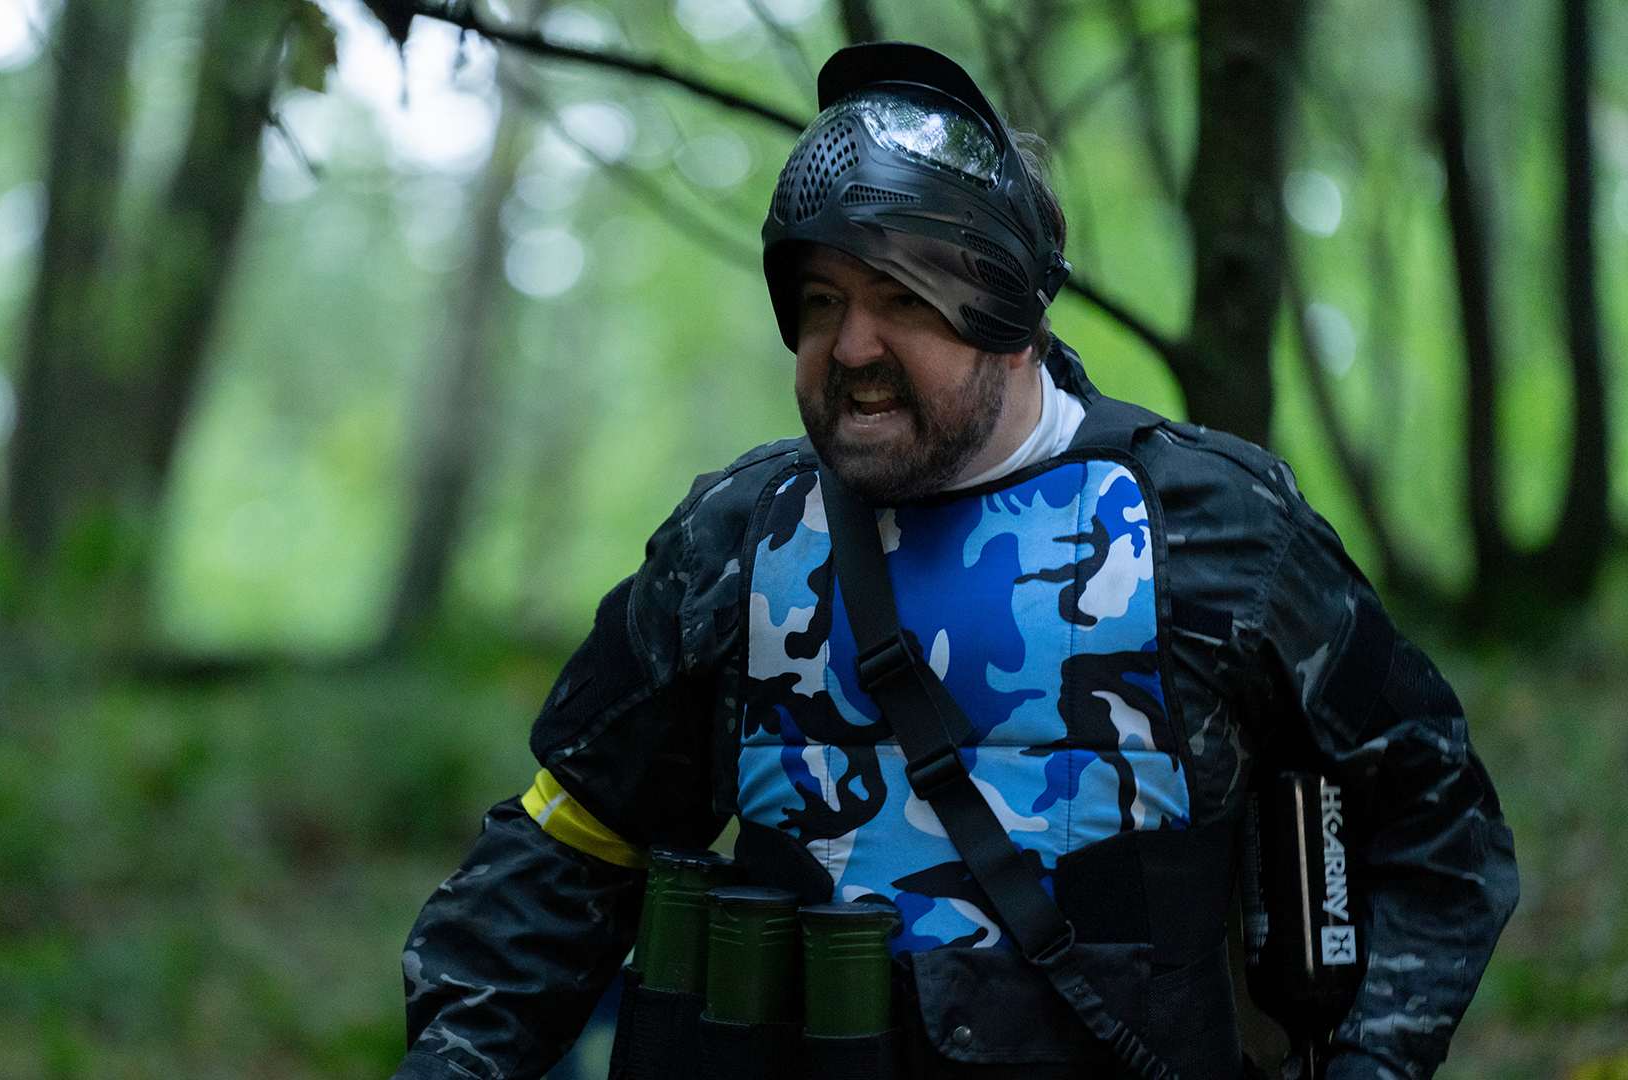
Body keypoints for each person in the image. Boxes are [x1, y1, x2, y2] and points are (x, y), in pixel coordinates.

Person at [395, 41, 1517, 1080]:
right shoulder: (732, 542)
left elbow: (1439, 827)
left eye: (903, 297)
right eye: (823, 301)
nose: (853, 347)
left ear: (1010, 314)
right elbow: (564, 857)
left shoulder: (1214, 530)